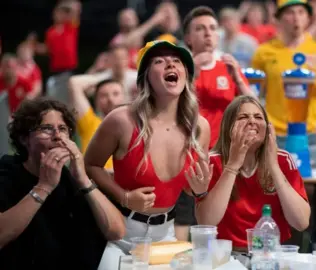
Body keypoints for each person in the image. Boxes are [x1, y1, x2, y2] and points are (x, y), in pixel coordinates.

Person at [84, 40, 211, 270]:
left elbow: (188, 189)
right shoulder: (121, 119)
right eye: (159, 61)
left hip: (167, 237)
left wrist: (200, 189)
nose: (170, 65)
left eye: (177, 61)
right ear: (145, 78)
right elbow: (90, 165)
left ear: (186, 75)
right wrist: (124, 197)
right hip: (120, 234)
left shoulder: (199, 127)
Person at [0, 98, 125, 269]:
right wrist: (44, 187)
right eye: (46, 129)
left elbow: (117, 231)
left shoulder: (72, 178)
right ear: (24, 139)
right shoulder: (6, 174)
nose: (57, 136)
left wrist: (83, 179)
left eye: (63, 129)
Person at [195, 95, 310, 251]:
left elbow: (301, 222)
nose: (252, 121)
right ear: (229, 127)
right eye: (243, 117)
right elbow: (207, 222)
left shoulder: (283, 160)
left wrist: (273, 166)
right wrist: (232, 166)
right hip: (225, 255)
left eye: (258, 117)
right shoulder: (212, 162)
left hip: (271, 254)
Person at [251, 0, 316, 148]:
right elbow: (255, 94)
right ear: (278, 19)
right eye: (290, 12)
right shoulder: (263, 52)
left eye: (301, 12)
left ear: (308, 18)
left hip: (313, 134)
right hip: (275, 134)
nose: (296, 17)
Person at [182, 6, 255, 149]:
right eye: (200, 29)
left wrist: (238, 81)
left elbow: (254, 106)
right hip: (190, 149)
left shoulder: (229, 66)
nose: (208, 33)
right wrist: (191, 74)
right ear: (188, 39)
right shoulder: (179, 69)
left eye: (213, 28)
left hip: (226, 149)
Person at [68, 75, 126, 171]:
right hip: (94, 182)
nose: (110, 99)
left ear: (125, 97)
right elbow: (74, 83)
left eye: (115, 94)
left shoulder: (136, 124)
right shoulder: (89, 122)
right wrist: (108, 74)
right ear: (96, 101)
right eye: (104, 95)